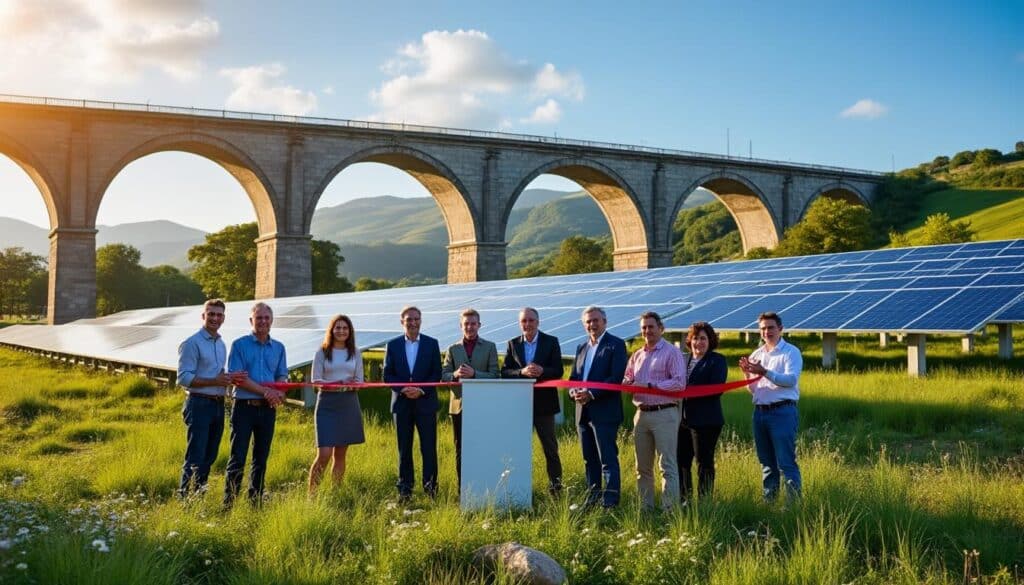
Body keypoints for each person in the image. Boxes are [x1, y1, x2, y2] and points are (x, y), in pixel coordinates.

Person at [223, 302, 288, 507]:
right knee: (238, 457)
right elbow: (239, 378)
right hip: (244, 407)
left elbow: (282, 375)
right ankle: (229, 503)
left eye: (266, 318)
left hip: (267, 409)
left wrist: (280, 392)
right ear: (251, 321)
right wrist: (267, 392)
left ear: (271, 321)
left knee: (261, 458)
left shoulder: (279, 347)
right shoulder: (239, 345)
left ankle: (255, 502)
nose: (263, 321)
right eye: (258, 318)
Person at [623, 311, 686, 511]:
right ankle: (646, 508)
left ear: (661, 328)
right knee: (642, 467)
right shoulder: (637, 355)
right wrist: (626, 383)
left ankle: (670, 510)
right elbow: (628, 377)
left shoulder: (672, 352)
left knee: (666, 465)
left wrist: (650, 385)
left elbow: (679, 383)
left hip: (664, 413)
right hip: (641, 414)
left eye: (651, 327)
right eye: (643, 328)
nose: (647, 331)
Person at [739, 311, 803, 503]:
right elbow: (753, 390)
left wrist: (764, 371)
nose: (767, 332)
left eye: (771, 327)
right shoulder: (756, 355)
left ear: (780, 329)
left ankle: (793, 506)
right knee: (766, 463)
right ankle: (770, 503)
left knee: (786, 462)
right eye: (763, 329)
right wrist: (745, 373)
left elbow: (790, 380)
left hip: (782, 412)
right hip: (760, 413)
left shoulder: (791, 352)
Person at [501, 307, 566, 495]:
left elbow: (559, 370)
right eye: (524, 321)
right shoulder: (513, 344)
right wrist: (521, 372)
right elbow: (504, 372)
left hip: (545, 405)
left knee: (550, 448)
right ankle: (517, 489)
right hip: (519, 404)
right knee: (518, 448)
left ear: (538, 322)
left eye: (531, 320)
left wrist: (542, 371)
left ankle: (556, 489)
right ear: (520, 323)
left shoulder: (551, 342)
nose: (527, 324)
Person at [569, 306, 628, 509]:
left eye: (596, 320)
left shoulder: (616, 345)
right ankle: (593, 497)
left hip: (604, 411)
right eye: (588, 321)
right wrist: (574, 393)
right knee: (589, 459)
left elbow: (616, 377)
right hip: (582, 411)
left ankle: (610, 501)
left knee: (607, 459)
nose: (592, 324)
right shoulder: (581, 348)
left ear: (604, 321)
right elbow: (573, 379)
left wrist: (591, 394)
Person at [383, 306, 443, 501]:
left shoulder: (432, 344)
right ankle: (405, 489)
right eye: (409, 319)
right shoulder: (392, 345)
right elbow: (387, 374)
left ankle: (431, 489)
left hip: (425, 403)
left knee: (428, 448)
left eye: (416, 319)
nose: (413, 322)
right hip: (401, 404)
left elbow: (436, 373)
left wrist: (421, 390)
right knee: (404, 449)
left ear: (421, 321)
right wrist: (403, 389)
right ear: (402, 322)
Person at [176, 298, 232, 499]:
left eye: (219, 315)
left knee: (210, 455)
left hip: (218, 405)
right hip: (199, 403)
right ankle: (185, 501)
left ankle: (199, 496)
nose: (215, 318)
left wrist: (226, 381)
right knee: (195, 455)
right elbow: (184, 377)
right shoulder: (192, 343)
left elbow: (217, 375)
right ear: (203, 316)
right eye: (211, 314)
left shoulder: (222, 344)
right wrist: (214, 380)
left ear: (224, 318)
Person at [307, 314, 365, 494]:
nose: (341, 331)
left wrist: (351, 385)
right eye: (338, 328)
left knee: (340, 454)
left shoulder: (355, 352)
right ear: (331, 330)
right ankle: (312, 496)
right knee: (324, 454)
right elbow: (315, 381)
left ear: (350, 331)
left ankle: (335, 493)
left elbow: (359, 380)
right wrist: (334, 385)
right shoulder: (322, 352)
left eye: (345, 328)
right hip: (327, 404)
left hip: (348, 403)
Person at [442, 308, 499, 487]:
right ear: (461, 326)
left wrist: (475, 374)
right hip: (459, 406)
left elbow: (496, 375)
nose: (470, 327)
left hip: (483, 406)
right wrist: (455, 375)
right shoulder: (452, 349)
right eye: (466, 324)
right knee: (460, 449)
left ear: (479, 325)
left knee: (483, 447)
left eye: (473, 323)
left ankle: (484, 485)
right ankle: (463, 488)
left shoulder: (490, 347)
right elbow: (443, 375)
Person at [678, 321, 728, 503]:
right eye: (695, 338)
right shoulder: (683, 359)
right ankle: (685, 501)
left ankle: (704, 502)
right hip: (682, 420)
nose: (698, 342)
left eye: (703, 338)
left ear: (710, 340)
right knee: (681, 462)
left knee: (703, 463)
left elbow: (716, 388)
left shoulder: (717, 360)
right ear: (689, 340)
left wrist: (685, 389)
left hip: (706, 421)